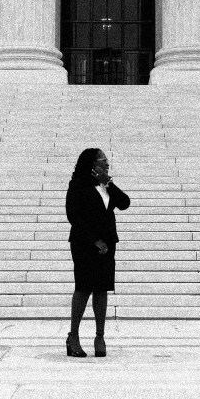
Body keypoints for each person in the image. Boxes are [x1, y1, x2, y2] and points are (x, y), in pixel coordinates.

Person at [65, 147, 130, 358]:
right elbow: (73, 216)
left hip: (108, 244)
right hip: (84, 243)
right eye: (103, 161)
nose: (107, 164)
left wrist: (108, 182)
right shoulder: (77, 185)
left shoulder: (106, 186)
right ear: (92, 164)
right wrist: (95, 240)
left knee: (102, 289)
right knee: (83, 288)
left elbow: (125, 203)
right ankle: (73, 336)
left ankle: (99, 337)